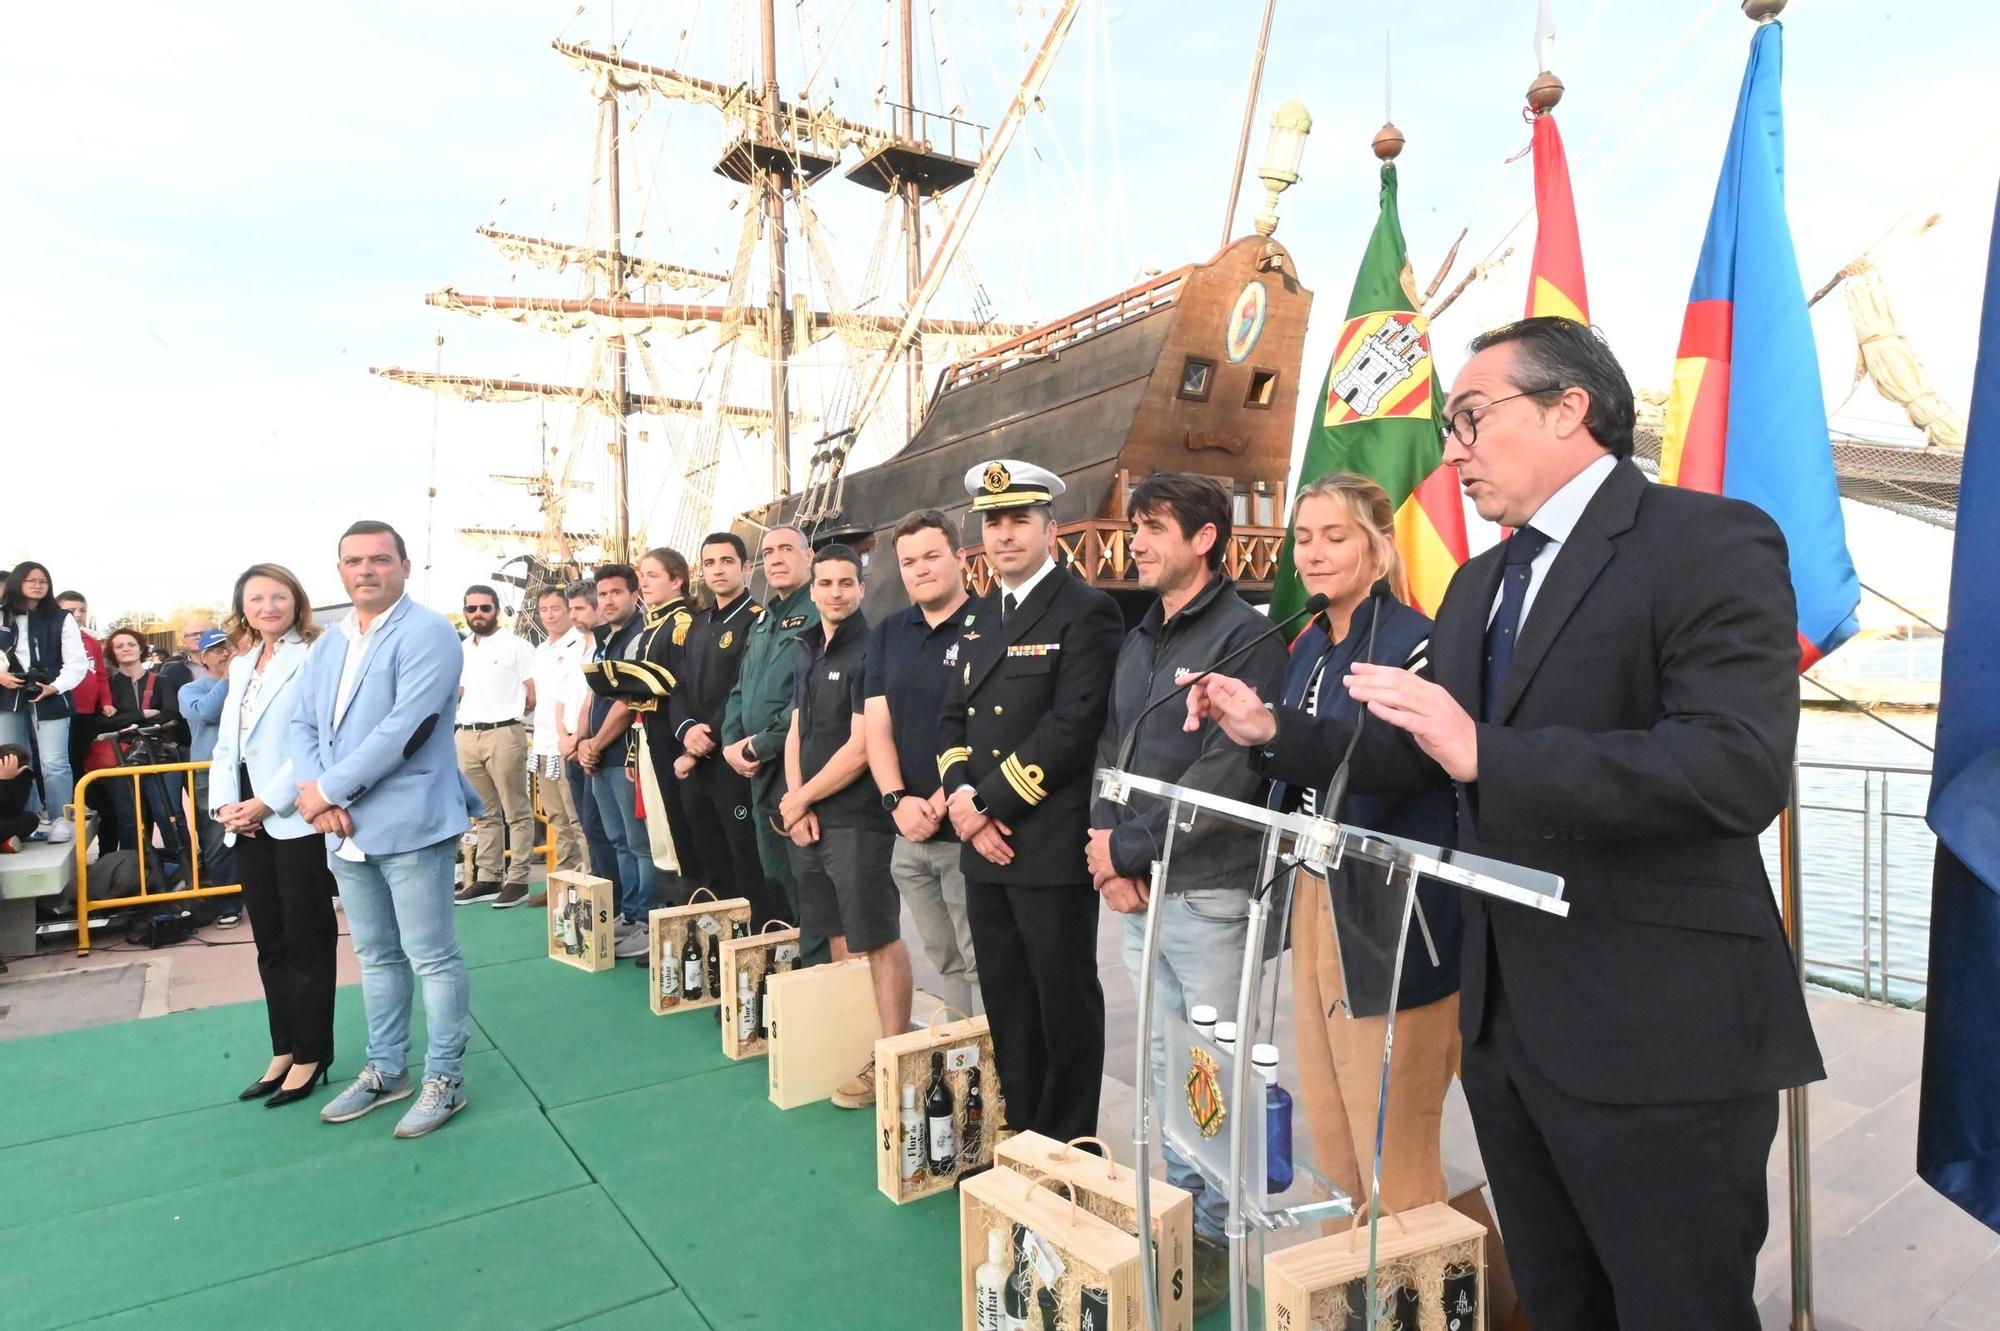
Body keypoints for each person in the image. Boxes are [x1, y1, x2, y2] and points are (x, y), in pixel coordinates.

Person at [1188, 318, 1823, 1330]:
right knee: (1558, 1302)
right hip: (1508, 1027)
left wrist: (1494, 754)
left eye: (1470, 418)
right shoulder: (1480, 582)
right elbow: (1422, 755)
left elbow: (1732, 766)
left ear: (1568, 408)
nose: (1450, 449)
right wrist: (1271, 730)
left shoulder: (1706, 539)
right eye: (1447, 425)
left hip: (1654, 1028)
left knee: (1675, 1306)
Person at [1086, 472, 1287, 1303]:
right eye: (1136, 527)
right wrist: (1104, 845)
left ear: (1205, 538)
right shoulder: (1146, 635)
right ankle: (1179, 1207)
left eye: (1154, 527)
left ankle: (1215, 1236)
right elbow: (1113, 744)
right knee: (1165, 1057)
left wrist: (1124, 852)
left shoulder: (1246, 637)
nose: (1136, 541)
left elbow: (1229, 773)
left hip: (1207, 890)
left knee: (1212, 1064)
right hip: (1143, 882)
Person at [1261, 475, 1462, 1221]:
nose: (1312, 554)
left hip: (1390, 908)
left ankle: (1413, 1282)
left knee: (1392, 1131)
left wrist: (1273, 732)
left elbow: (1397, 763)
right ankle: (1349, 1271)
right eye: (1304, 538)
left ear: (1379, 549)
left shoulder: (1415, 642)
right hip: (1316, 888)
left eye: (1334, 536)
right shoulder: (1309, 643)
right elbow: (1294, 758)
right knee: (1330, 1112)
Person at [936, 459, 1123, 1142]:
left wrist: (987, 803)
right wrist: (961, 800)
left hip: (1044, 845)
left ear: (1050, 527)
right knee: (1008, 999)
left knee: (1062, 1001)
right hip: (983, 847)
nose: (1005, 534)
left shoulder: (1087, 610)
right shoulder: (981, 616)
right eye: (994, 522)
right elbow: (951, 718)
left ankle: (1069, 1143)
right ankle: (1021, 1132)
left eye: (1019, 520)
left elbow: (1074, 725)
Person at [294, 520, 477, 1139]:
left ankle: (444, 1078)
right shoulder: (328, 643)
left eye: (378, 559)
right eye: (353, 561)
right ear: (340, 570)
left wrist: (329, 790)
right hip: (343, 829)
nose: (365, 570)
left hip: (412, 822)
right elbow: (304, 726)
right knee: (376, 956)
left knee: (432, 957)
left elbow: (406, 729)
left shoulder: (428, 632)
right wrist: (319, 800)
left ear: (403, 564)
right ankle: (385, 1069)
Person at [780, 544, 906, 1109]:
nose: (835, 592)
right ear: (813, 590)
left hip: (857, 821)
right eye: (825, 583)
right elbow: (797, 730)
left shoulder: (870, 650)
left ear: (861, 588)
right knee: (835, 933)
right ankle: (859, 1047)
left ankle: (893, 1054)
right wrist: (796, 804)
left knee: (875, 936)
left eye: (845, 583)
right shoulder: (807, 646)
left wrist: (802, 797)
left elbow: (861, 748)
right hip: (811, 818)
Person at [209, 563, 337, 1107]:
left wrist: (266, 802)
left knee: (307, 939)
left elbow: (313, 743)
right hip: (246, 819)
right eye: (256, 598)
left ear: (296, 602)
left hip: (291, 815)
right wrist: (224, 806)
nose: (268, 607)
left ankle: (312, 1053)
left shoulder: (314, 657)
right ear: (243, 607)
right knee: (270, 944)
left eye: (278, 597)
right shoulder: (240, 666)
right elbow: (225, 746)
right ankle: (283, 1046)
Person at [863, 510, 981, 1018]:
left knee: (981, 961)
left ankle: (999, 1079)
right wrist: (896, 801)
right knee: (945, 960)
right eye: (909, 561)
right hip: (907, 833)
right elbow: (876, 723)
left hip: (965, 825)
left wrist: (935, 802)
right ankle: (963, 1074)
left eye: (932, 557)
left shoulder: (989, 624)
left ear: (959, 558)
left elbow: (989, 728)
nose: (920, 569)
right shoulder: (889, 633)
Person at [721, 524, 828, 964]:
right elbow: (740, 690)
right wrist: (730, 742)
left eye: (787, 549)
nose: (777, 558)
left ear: (809, 556)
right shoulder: (765, 619)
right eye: (769, 552)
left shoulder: (821, 613)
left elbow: (810, 700)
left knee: (811, 883)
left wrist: (759, 745)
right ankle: (797, 969)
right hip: (758, 773)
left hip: (797, 768)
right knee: (779, 877)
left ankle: (818, 978)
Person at [667, 533, 782, 923]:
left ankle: (760, 942)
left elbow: (743, 690)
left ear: (746, 568)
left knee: (745, 859)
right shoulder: (698, 625)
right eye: (710, 562)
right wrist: (685, 731)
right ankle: (722, 946)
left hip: (730, 759)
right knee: (709, 856)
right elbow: (679, 685)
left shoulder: (757, 621)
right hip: (696, 760)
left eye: (727, 561)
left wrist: (705, 739)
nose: (717, 570)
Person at [576, 562, 659, 956]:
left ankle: (647, 919)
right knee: (618, 840)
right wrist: (583, 740)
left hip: (625, 755)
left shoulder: (638, 638)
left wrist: (596, 743)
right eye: (603, 594)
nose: (608, 600)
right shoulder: (606, 640)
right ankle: (629, 912)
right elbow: (593, 695)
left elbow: (629, 701)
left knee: (640, 843)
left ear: (634, 595)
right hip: (600, 757)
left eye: (616, 593)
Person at [453, 584, 539, 908]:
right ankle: (488, 877)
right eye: (471, 608)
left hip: (504, 731)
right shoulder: (461, 649)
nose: (478, 614)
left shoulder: (517, 646)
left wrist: (512, 713)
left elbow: (533, 692)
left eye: (484, 608)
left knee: (515, 809)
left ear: (496, 610)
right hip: (466, 734)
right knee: (484, 812)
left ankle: (518, 878)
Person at [629, 547, 698, 910]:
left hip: (671, 740)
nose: (644, 581)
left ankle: (683, 909)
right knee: (657, 831)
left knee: (674, 831)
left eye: (652, 575)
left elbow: (683, 689)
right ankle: (666, 910)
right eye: (642, 575)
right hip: (649, 737)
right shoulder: (652, 625)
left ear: (677, 580)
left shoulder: (680, 624)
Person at [0, 561, 88, 842]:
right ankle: (29, 815)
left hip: (51, 691)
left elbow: (76, 663)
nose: (38, 585)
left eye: (43, 581)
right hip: (7, 692)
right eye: (31, 580)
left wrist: (55, 686)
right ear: (17, 583)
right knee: (13, 757)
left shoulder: (60, 617)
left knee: (55, 761)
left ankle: (62, 817)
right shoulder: (3, 615)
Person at [99, 625, 194, 879]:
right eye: (119, 646)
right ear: (112, 652)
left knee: (168, 813)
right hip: (121, 757)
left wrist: (127, 723)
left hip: (160, 754)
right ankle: (133, 877)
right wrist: (142, 716)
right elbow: (103, 723)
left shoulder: (160, 681)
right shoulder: (107, 685)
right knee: (129, 820)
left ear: (141, 648)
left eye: (130, 644)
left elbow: (172, 714)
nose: (125, 649)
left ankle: (188, 871)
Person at [178, 628, 243, 922]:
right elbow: (206, 713)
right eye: (217, 650)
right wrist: (228, 679)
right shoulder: (191, 689)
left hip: (246, 767)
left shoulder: (249, 682)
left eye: (228, 646)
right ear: (203, 658)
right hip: (209, 771)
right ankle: (227, 903)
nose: (226, 653)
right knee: (216, 836)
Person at [528, 585, 591, 892]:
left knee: (577, 818)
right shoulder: (540, 650)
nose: (550, 615)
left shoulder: (580, 644)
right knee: (556, 818)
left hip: (567, 743)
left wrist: (572, 737)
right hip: (542, 744)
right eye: (544, 610)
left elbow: (575, 698)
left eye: (557, 608)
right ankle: (562, 886)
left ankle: (587, 883)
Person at [560, 581, 618, 887]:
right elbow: (564, 698)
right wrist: (569, 738)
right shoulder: (571, 646)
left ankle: (615, 899)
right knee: (586, 824)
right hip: (573, 743)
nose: (573, 615)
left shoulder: (605, 646)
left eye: (579, 608)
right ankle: (598, 890)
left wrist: (583, 740)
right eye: (570, 608)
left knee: (605, 830)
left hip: (596, 746)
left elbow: (595, 699)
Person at [55, 591, 118, 852]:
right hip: (59, 713)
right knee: (64, 766)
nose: (77, 615)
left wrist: (106, 701)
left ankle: (106, 855)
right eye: (70, 610)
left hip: (87, 716)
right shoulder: (52, 639)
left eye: (82, 610)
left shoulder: (92, 643)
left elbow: (101, 676)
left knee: (88, 774)